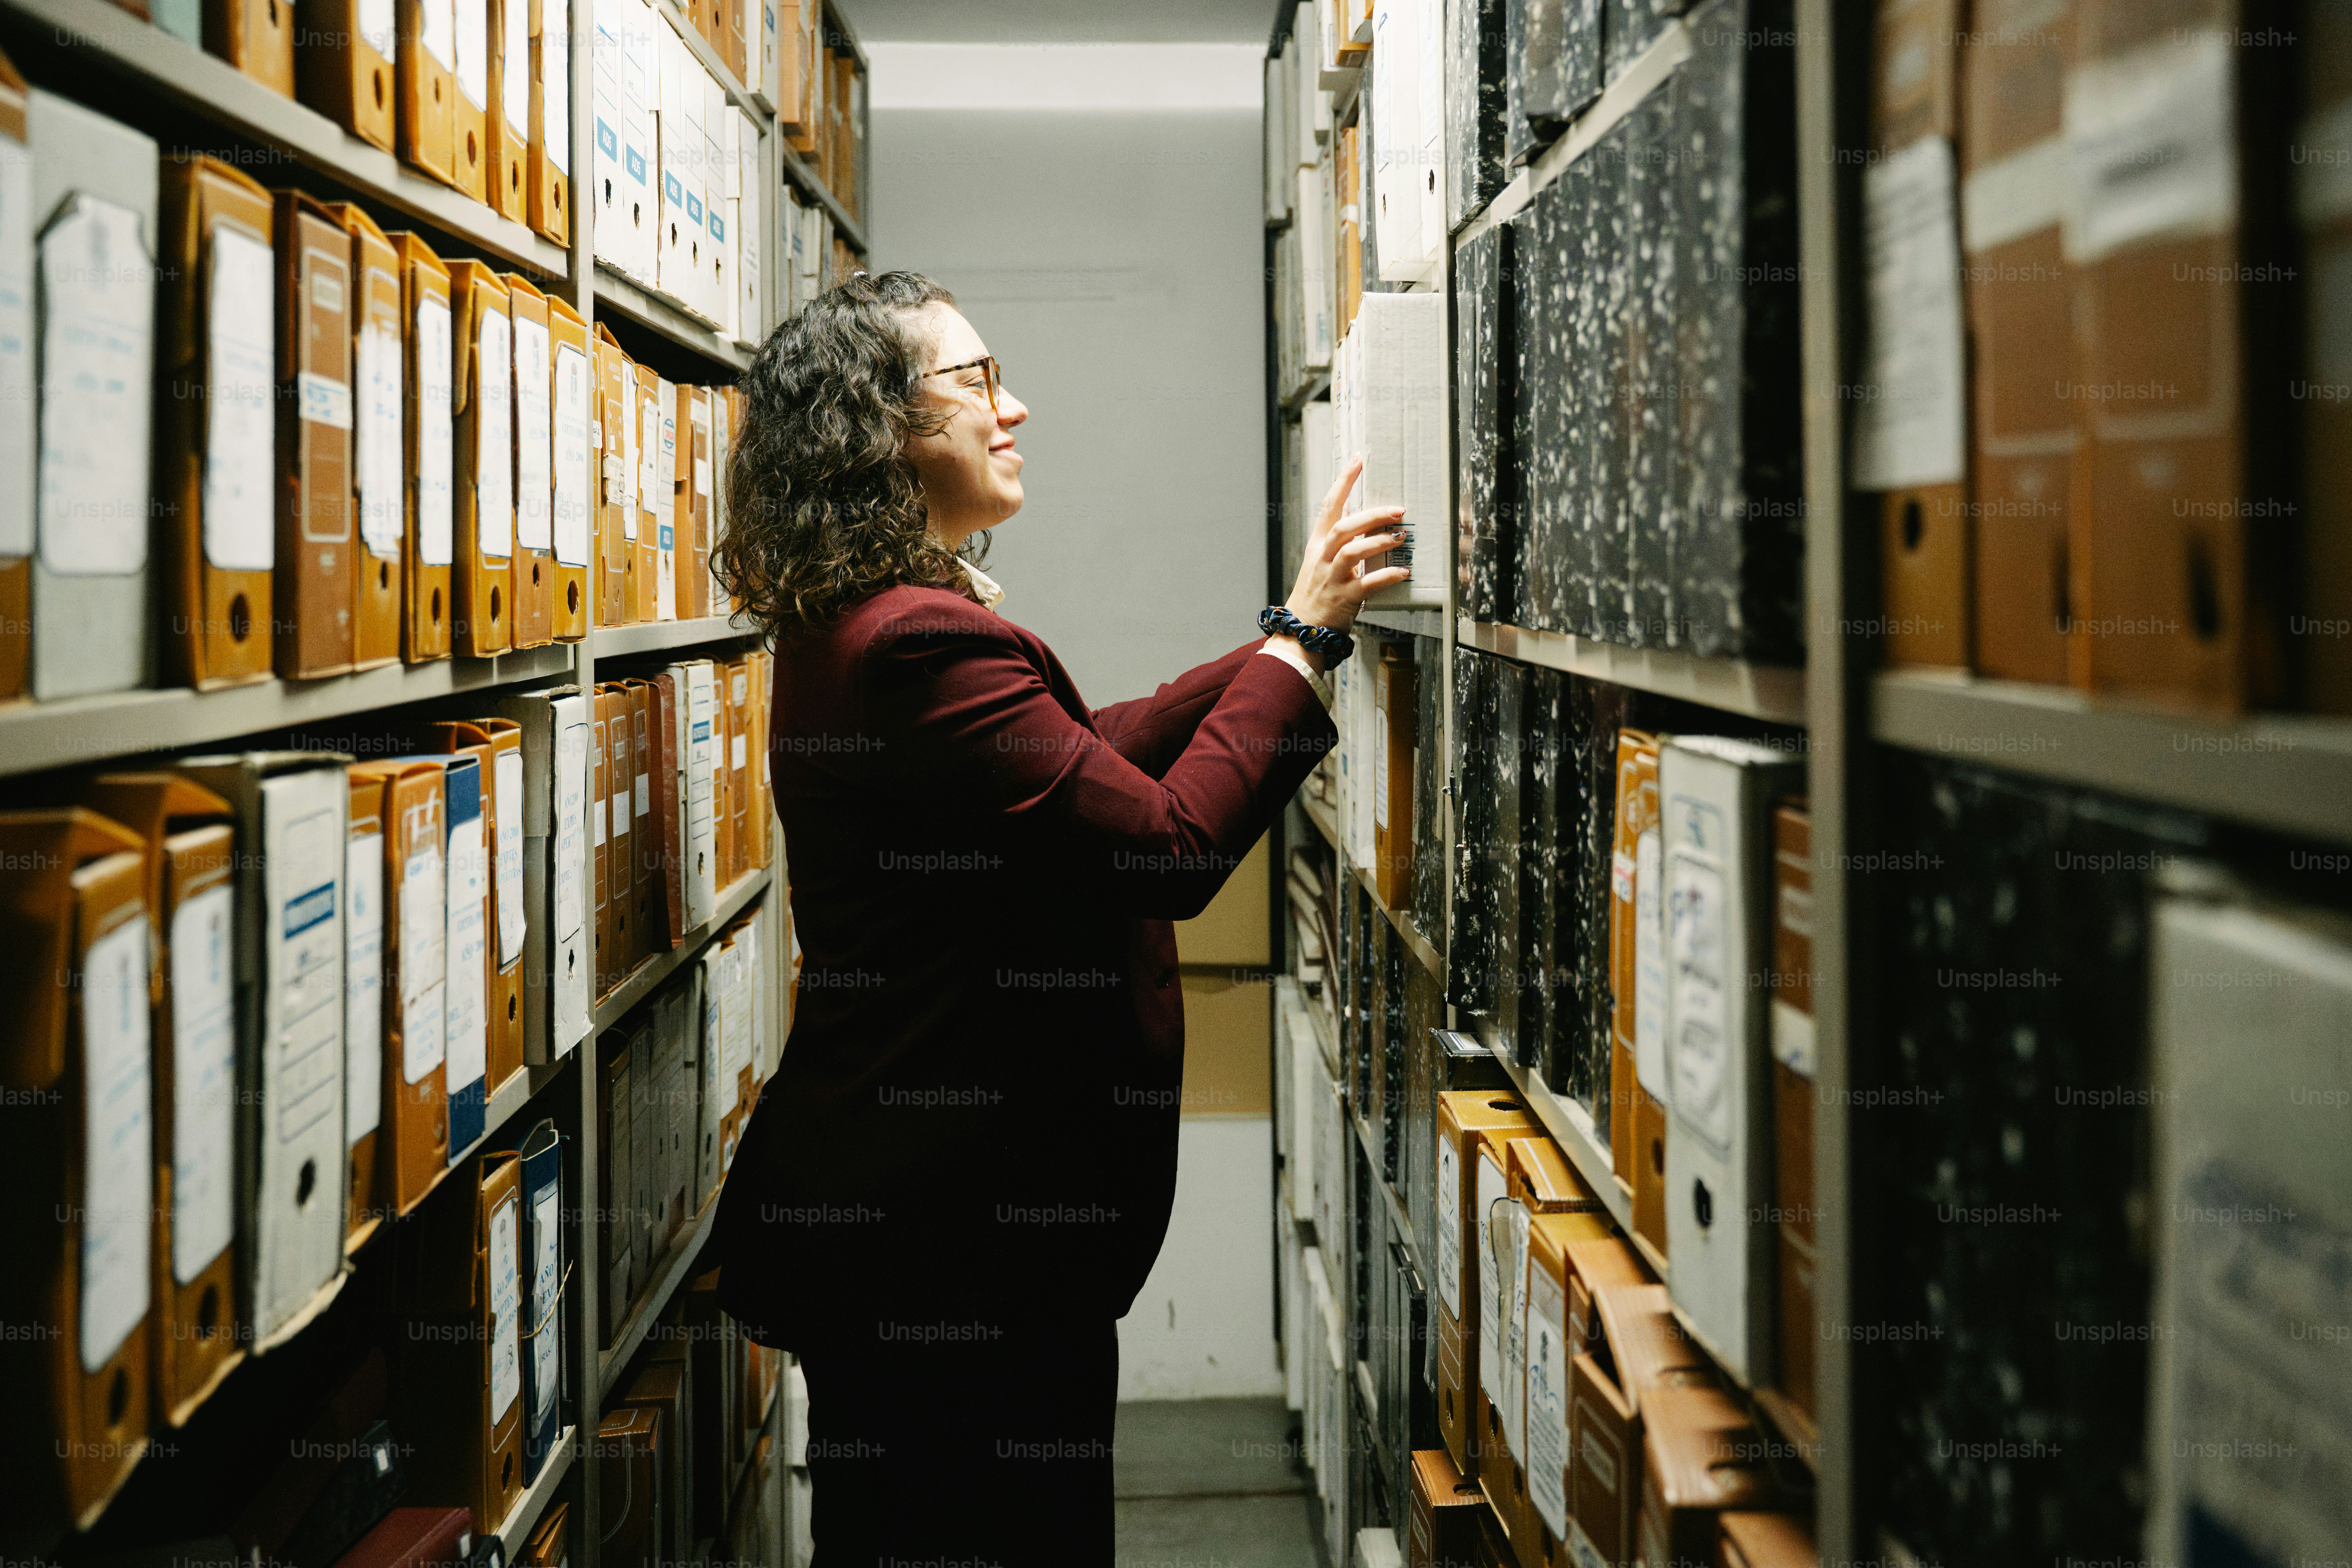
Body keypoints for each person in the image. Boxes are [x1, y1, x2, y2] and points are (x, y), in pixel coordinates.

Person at [708, 271, 1406, 1562]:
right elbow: (1172, 848)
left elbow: (1079, 752)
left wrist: (1288, 638)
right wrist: (1298, 653)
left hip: (929, 1247)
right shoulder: (915, 644)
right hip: (952, 1262)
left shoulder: (864, 627)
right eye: (974, 382)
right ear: (880, 427)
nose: (1012, 407)